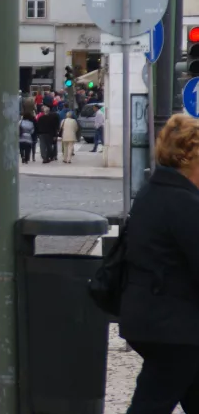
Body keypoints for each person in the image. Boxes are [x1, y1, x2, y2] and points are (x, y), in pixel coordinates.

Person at [121, 114, 199, 413]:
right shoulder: (184, 203)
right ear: (191, 158)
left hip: (153, 318)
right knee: (151, 403)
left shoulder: (153, 193)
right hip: (176, 328)